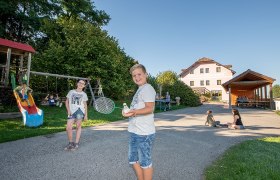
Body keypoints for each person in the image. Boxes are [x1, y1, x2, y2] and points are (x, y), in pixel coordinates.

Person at [122, 64, 156, 180]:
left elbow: (149, 108)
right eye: (134, 75)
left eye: (139, 74)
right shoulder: (139, 90)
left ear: (146, 74)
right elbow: (135, 110)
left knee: (145, 162)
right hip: (134, 131)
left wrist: (134, 112)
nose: (137, 77)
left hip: (144, 133)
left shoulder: (148, 88)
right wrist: (127, 112)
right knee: (132, 159)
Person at [64, 79, 88, 151]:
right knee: (68, 127)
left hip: (80, 112)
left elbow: (85, 105)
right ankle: (71, 143)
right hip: (71, 112)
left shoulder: (84, 94)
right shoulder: (71, 92)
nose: (81, 84)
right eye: (80, 82)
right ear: (77, 83)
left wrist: (86, 115)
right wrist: (68, 110)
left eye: (83, 84)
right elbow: (67, 101)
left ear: (84, 86)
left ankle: (76, 143)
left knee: (78, 127)